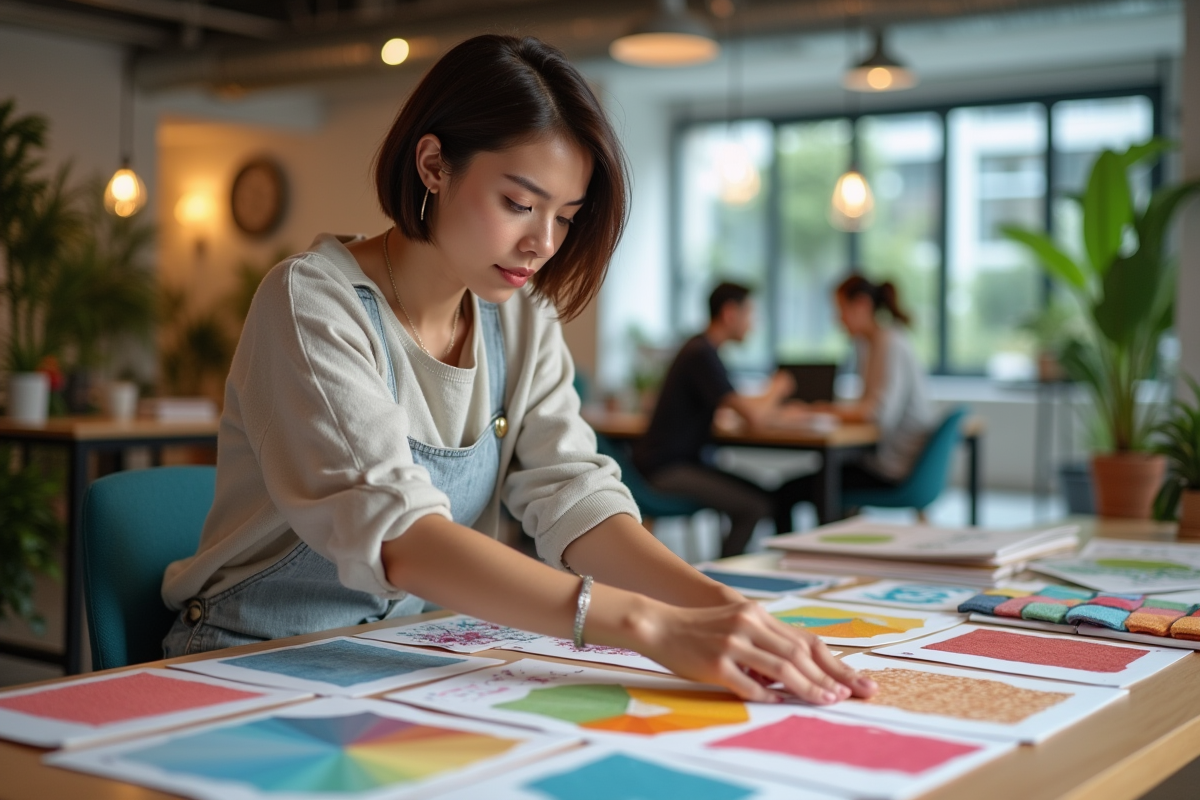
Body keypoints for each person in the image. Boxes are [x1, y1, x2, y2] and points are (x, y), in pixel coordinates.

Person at [160, 35, 872, 706]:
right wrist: (648, 626)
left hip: (402, 649)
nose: (542, 244)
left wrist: (723, 609)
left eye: (565, 217)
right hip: (250, 656)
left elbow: (574, 496)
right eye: (519, 204)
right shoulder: (311, 300)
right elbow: (400, 535)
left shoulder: (519, 318)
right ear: (433, 165)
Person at [633, 282, 799, 558]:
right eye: (750, 315)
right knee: (755, 505)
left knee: (766, 496)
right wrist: (778, 388)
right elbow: (753, 416)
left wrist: (777, 410)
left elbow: (735, 408)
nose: (753, 325)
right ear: (730, 313)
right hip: (668, 469)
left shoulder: (702, 350)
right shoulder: (701, 354)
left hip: (680, 463)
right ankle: (723, 579)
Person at [776, 275, 937, 528]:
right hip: (885, 458)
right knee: (822, 475)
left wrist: (820, 410)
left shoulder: (889, 342)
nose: (837, 319)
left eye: (840, 310)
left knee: (790, 490)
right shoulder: (871, 344)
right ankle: (830, 545)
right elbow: (871, 405)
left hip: (892, 467)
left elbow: (877, 413)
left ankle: (810, 556)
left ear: (861, 304)